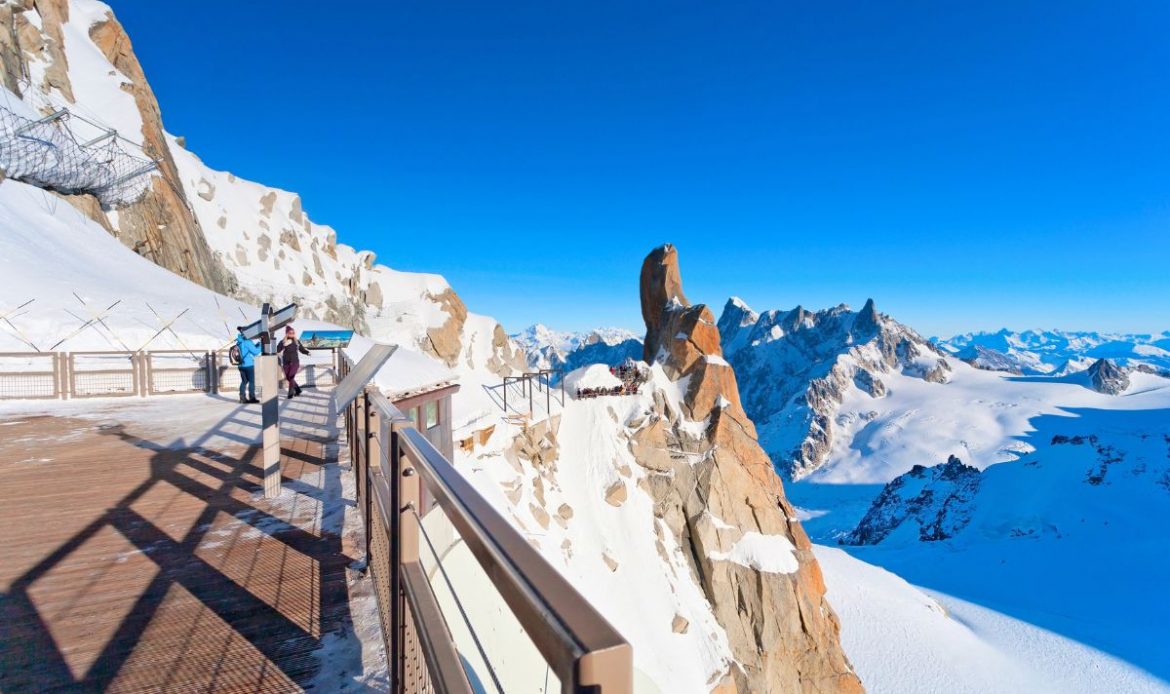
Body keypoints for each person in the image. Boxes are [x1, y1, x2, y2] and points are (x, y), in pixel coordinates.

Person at [279, 325, 311, 399]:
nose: (292, 333)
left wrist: (307, 352)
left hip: (294, 362)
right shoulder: (283, 341)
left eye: (293, 332)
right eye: (290, 332)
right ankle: (298, 390)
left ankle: (290, 393)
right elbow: (278, 350)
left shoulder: (297, 342)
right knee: (288, 377)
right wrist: (283, 344)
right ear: (287, 333)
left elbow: (302, 349)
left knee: (291, 377)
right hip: (286, 362)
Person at [234, 327, 261, 403]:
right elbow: (255, 352)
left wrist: (257, 345)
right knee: (252, 381)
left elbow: (248, 350)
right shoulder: (247, 342)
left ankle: (242, 398)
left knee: (244, 381)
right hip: (249, 365)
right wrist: (261, 345)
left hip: (240, 365)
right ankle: (252, 398)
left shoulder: (239, 342)